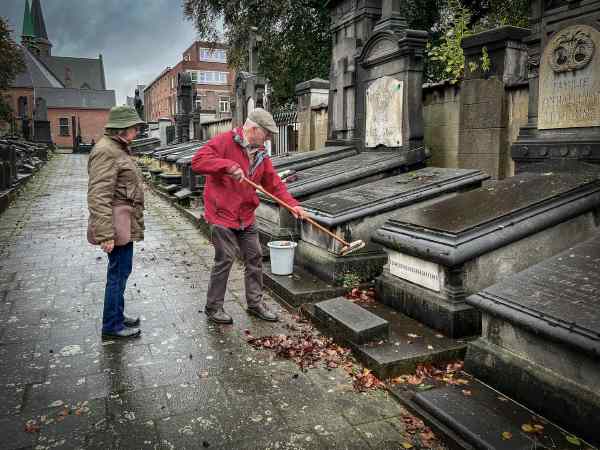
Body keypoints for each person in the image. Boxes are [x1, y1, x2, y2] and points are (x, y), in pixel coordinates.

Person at [192, 108, 306, 324]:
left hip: (245, 215)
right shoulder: (224, 141)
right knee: (225, 258)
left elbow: (273, 183)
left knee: (254, 257)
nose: (270, 138)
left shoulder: (261, 154)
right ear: (253, 129)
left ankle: (255, 304)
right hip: (222, 213)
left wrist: (292, 205)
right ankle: (213, 307)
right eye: (267, 133)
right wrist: (227, 166)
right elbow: (198, 162)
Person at [87, 106, 145, 338]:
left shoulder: (117, 147)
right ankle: (111, 326)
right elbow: (98, 195)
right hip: (116, 224)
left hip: (124, 221)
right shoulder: (106, 151)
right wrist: (105, 234)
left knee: (122, 272)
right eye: (134, 128)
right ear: (121, 128)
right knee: (117, 275)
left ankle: (117, 316)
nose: (137, 132)